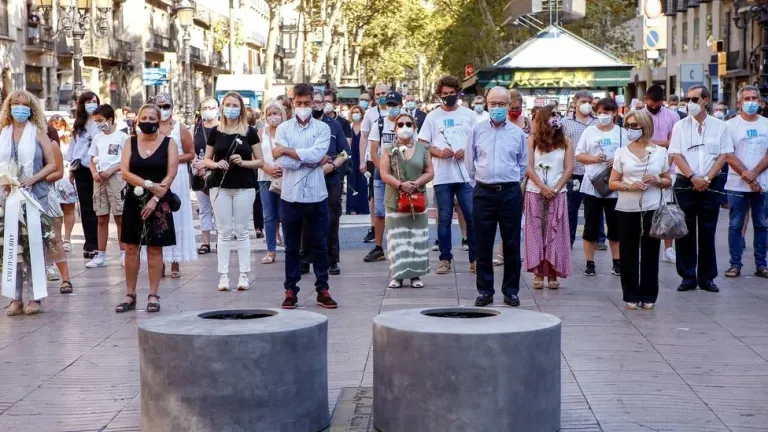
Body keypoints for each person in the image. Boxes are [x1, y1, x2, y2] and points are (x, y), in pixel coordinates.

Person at [272, 83, 338, 310]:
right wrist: (309, 160)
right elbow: (285, 162)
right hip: (290, 195)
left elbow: (318, 154)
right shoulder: (283, 129)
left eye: (307, 103)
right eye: (299, 103)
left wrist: (286, 150)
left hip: (317, 195)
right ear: (292, 103)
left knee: (320, 245)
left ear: (313, 103)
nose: (303, 107)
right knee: (292, 247)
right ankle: (291, 290)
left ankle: (323, 289)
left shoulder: (322, 128)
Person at [466, 87, 527, 307]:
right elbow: (470, 161)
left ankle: (511, 291)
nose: (497, 108)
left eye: (502, 104)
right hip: (483, 191)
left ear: (509, 105)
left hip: (510, 192)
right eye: (493, 104)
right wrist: (479, 183)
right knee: (483, 243)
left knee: (511, 243)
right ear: (487, 104)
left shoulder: (518, 133)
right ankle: (485, 291)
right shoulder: (477, 130)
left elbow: (523, 164)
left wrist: (511, 182)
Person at [669, 85, 733, 293]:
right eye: (688, 99)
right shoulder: (680, 126)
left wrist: (706, 178)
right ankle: (687, 276)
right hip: (685, 182)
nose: (690, 104)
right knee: (685, 231)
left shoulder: (720, 126)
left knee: (708, 230)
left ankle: (707, 277)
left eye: (694, 100)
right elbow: (676, 154)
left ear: (706, 100)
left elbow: (724, 155)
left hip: (710, 182)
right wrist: (693, 177)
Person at [116, 104, 179, 313]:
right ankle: (130, 293)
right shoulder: (130, 142)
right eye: (144, 118)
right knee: (131, 248)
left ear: (159, 121)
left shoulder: (169, 143)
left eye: (152, 118)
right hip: (134, 199)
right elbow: (125, 172)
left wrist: (155, 198)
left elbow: (171, 174)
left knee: (154, 247)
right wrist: (149, 185)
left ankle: (153, 294)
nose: (148, 122)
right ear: (137, 120)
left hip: (159, 201)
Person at [1, 91, 58, 315]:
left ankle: (35, 297)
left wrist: (33, 178)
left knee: (34, 247)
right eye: (16, 103)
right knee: (11, 247)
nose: (20, 108)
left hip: (34, 196)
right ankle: (15, 298)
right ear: (9, 106)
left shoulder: (38, 132)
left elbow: (52, 164)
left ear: (31, 108)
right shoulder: (3, 132)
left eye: (24, 104)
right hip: (8, 198)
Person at [609, 110, 672, 310]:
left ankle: (649, 294)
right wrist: (628, 186)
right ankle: (630, 294)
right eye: (627, 125)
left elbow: (668, 181)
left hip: (652, 207)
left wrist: (657, 180)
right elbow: (612, 182)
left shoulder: (660, 152)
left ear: (645, 126)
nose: (630, 129)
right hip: (627, 207)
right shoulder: (621, 152)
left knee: (650, 252)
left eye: (634, 125)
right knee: (627, 252)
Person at [203, 91, 263, 291]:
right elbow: (206, 159)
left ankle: (244, 275)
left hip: (244, 185)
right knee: (224, 232)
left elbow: (260, 161)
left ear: (241, 109)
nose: (231, 108)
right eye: (228, 104)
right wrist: (216, 164)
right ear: (222, 108)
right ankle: (224, 276)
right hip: (220, 186)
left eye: (235, 105)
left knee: (242, 231)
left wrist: (243, 162)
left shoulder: (249, 132)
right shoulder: (216, 131)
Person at [420, 76, 477, 274]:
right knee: (443, 218)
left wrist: (466, 151)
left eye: (452, 93)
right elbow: (423, 143)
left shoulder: (469, 115)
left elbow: (478, 141)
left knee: (471, 217)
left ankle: (475, 259)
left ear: (458, 93)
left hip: (466, 176)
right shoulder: (432, 117)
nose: (449, 96)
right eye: (445, 93)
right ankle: (445, 259)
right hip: (442, 176)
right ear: (439, 95)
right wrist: (437, 152)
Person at [379, 112, 434, 288]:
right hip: (395, 200)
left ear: (414, 127)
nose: (405, 127)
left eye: (408, 124)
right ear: (395, 129)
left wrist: (417, 183)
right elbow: (384, 174)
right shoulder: (388, 150)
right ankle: (397, 275)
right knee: (397, 239)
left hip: (417, 199)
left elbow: (430, 172)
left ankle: (416, 275)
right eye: (400, 124)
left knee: (417, 238)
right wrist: (401, 185)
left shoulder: (423, 149)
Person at [524, 104, 574, 289]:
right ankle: (538, 273)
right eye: (552, 114)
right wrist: (543, 187)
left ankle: (553, 273)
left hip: (558, 193)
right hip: (535, 191)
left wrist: (556, 188)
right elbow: (528, 167)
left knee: (556, 234)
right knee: (536, 233)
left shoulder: (566, 141)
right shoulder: (532, 140)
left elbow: (569, 168)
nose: (556, 118)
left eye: (558, 114)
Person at [301, 91, 350, 275]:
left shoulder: (334, 125)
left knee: (331, 219)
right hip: (306, 177)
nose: (316, 106)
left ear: (324, 104)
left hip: (330, 178)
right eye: (312, 102)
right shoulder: (299, 125)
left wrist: (333, 166)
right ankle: (304, 260)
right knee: (306, 220)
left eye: (319, 102)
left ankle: (332, 260)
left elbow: (345, 152)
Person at [576, 97, 626, 276]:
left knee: (615, 226)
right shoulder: (589, 131)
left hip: (614, 185)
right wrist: (594, 159)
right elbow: (579, 155)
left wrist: (617, 161)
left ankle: (617, 262)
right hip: (592, 184)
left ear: (614, 113)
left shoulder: (622, 132)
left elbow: (629, 155)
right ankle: (589, 262)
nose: (603, 116)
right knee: (590, 225)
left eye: (606, 112)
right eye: (599, 112)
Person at [724, 85, 768, 278]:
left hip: (763, 184)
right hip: (737, 185)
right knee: (735, 225)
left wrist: (755, 173)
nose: (751, 102)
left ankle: (761, 264)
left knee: (761, 224)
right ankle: (735, 264)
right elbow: (728, 155)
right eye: (747, 99)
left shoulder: (766, 124)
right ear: (739, 102)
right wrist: (747, 176)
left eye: (754, 98)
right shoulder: (730, 126)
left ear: (760, 101)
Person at [152, 93, 196, 277]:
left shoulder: (180, 128)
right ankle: (159, 260)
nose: (163, 110)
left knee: (175, 216)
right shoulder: (150, 126)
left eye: (166, 106)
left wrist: (172, 159)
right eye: (159, 106)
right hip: (156, 175)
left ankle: (175, 262)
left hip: (177, 176)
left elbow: (191, 153)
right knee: (157, 216)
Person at [86, 104, 127, 268]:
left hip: (117, 178)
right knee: (101, 217)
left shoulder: (122, 137)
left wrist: (112, 169)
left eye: (100, 120)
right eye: (96, 121)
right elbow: (91, 160)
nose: (98, 124)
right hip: (99, 180)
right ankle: (101, 254)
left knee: (120, 217)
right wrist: (94, 173)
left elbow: (126, 161)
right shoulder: (97, 138)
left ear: (110, 120)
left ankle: (124, 253)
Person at [644, 84, 681, 263]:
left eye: (657, 104)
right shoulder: (639, 115)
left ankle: (668, 249)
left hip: (669, 167)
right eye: (651, 104)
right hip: (644, 167)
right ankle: (644, 246)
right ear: (646, 99)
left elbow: (674, 144)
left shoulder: (673, 116)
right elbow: (638, 142)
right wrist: (663, 143)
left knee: (668, 210)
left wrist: (653, 143)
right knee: (645, 210)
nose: (654, 106)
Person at [66, 91, 100, 258]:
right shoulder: (79, 124)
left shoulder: (101, 121)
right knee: (86, 208)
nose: (91, 104)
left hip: (98, 168)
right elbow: (73, 147)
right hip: (81, 168)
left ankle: (99, 243)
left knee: (98, 208)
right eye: (88, 102)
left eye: (94, 101)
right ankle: (90, 243)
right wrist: (71, 169)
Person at [562, 90, 597, 248]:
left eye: (589, 102)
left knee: (595, 209)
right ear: (575, 103)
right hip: (574, 172)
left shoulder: (597, 122)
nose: (586, 105)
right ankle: (568, 240)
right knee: (571, 208)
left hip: (595, 173)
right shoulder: (565, 123)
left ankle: (598, 239)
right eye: (583, 101)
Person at [43, 122, 74, 293]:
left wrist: (37, 180)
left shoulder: (50, 143)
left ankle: (65, 278)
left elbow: (59, 172)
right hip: (21, 195)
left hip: (45, 195)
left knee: (54, 238)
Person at [359, 83, 389, 249]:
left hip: (393, 158)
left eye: (384, 93)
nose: (381, 96)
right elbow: (364, 138)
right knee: (373, 196)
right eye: (378, 94)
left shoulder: (397, 111)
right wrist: (362, 160)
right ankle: (373, 227)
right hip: (374, 159)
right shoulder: (370, 113)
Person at [257, 101, 285, 264]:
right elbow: (255, 156)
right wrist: (267, 168)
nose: (273, 117)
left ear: (282, 114)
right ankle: (270, 250)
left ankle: (290, 249)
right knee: (269, 216)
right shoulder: (261, 132)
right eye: (269, 114)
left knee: (285, 214)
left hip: (285, 177)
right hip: (265, 178)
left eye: (276, 113)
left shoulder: (287, 131)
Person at [191, 97, 219, 254]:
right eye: (204, 108)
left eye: (211, 107)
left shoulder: (222, 128)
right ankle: (205, 242)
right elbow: (190, 149)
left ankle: (221, 241)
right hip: (199, 174)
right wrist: (197, 163)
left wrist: (207, 165)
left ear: (218, 109)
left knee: (220, 209)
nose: (208, 111)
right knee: (204, 209)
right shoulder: (195, 128)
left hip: (216, 173)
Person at [48, 115, 77, 252]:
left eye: (60, 127)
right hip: (53, 177)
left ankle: (67, 238)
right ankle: (57, 238)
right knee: (55, 210)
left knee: (69, 208)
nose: (58, 130)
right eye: (55, 127)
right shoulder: (46, 141)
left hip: (66, 177)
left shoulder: (70, 140)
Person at [345, 105, 369, 214]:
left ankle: (363, 208)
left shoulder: (365, 126)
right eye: (354, 112)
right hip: (351, 157)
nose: (356, 114)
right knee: (351, 181)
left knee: (362, 181)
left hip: (362, 156)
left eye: (358, 112)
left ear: (362, 114)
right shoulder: (348, 126)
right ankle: (351, 208)